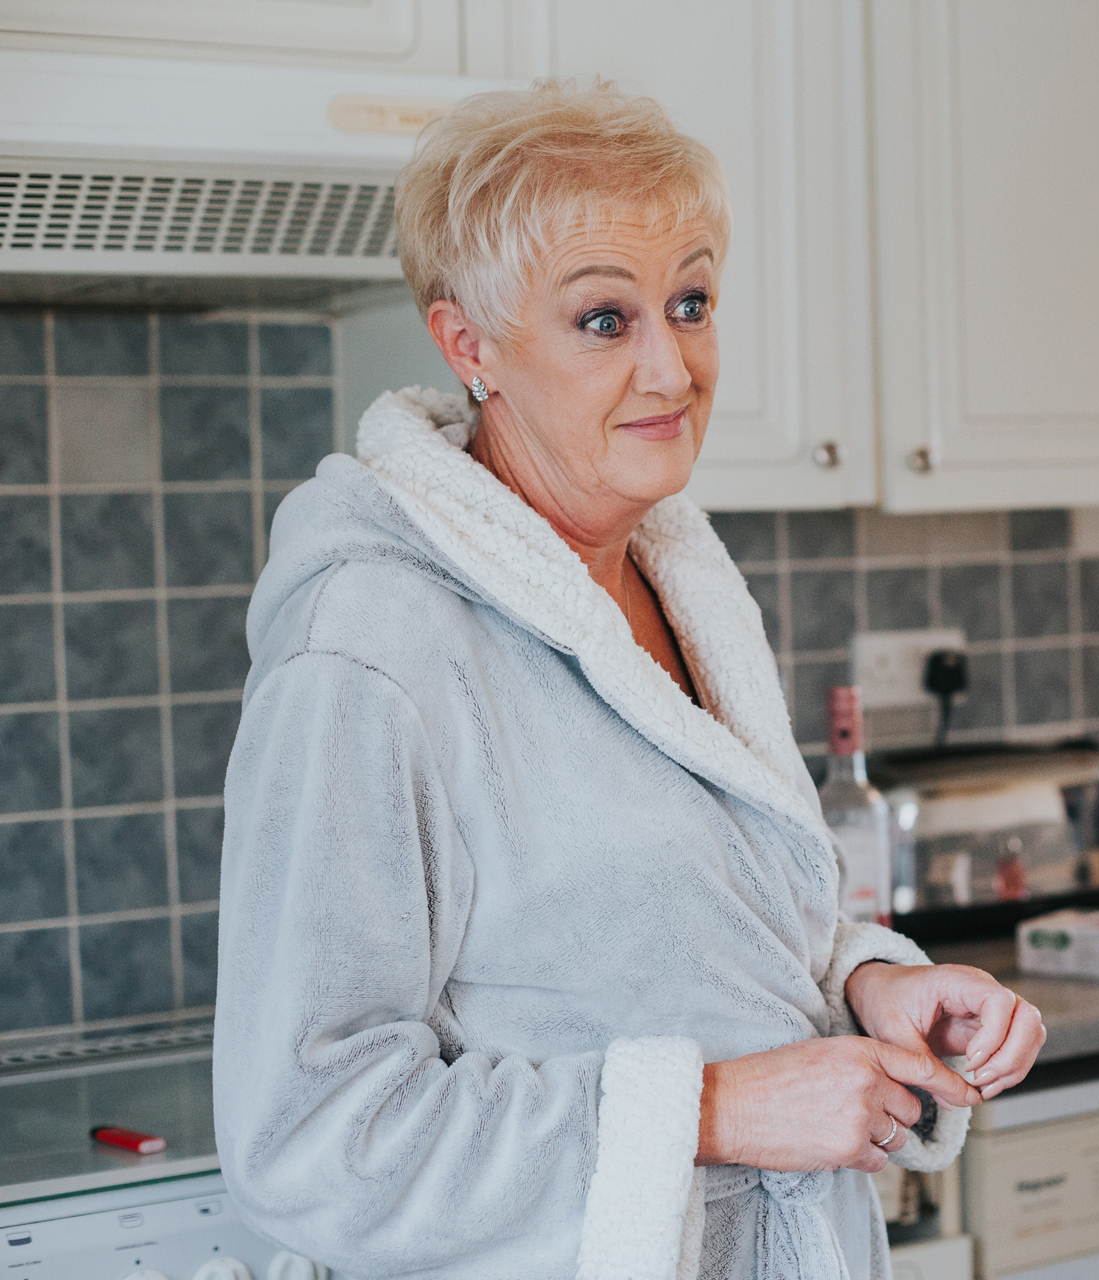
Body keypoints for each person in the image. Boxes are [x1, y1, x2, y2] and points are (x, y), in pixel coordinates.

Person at [212, 80, 1045, 1280]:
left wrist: (867, 982)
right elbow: (312, 1137)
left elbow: (696, 933)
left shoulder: (672, 572)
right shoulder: (367, 648)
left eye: (691, 302)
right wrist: (707, 1111)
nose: (672, 368)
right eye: (605, 319)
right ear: (470, 345)